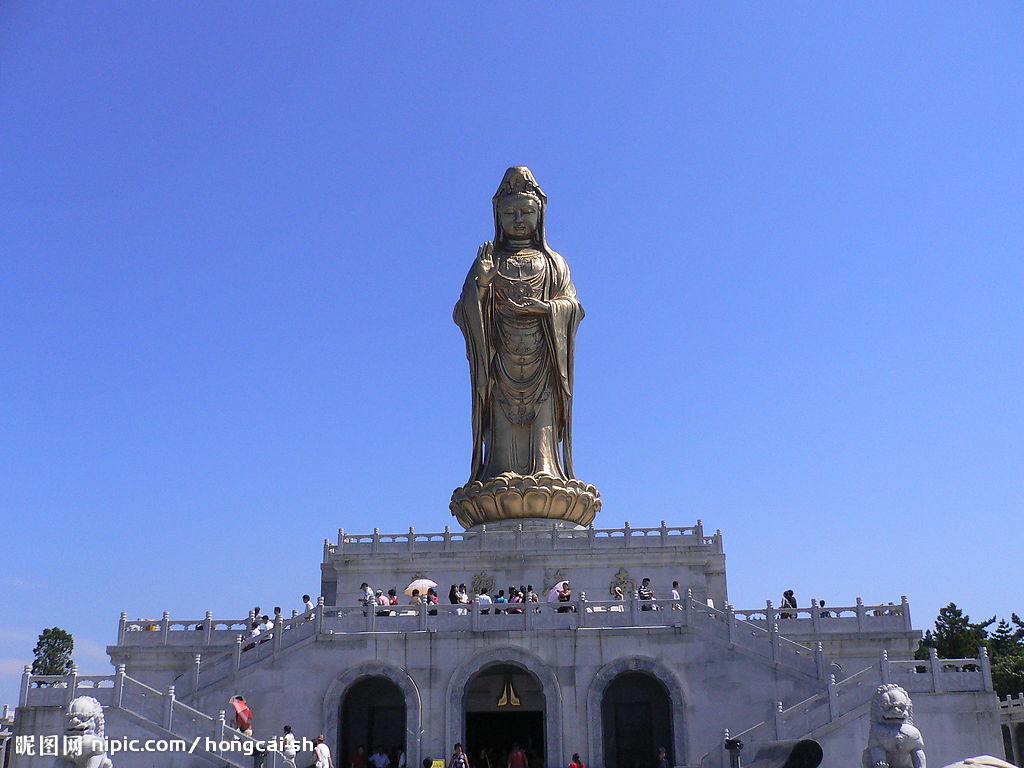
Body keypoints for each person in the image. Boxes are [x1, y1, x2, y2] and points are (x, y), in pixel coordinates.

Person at [453, 167, 586, 509]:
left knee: (543, 411)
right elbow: (464, 310)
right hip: (500, 359)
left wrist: (547, 309)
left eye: (526, 212)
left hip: (544, 356)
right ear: (497, 217)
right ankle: (501, 469)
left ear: (540, 214)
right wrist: (482, 283)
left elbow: (573, 307)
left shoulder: (553, 263)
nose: (518, 220)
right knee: (501, 412)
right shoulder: (489, 260)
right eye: (510, 213)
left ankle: (546, 469)